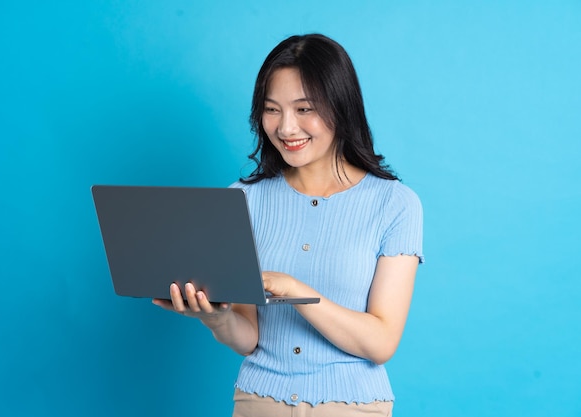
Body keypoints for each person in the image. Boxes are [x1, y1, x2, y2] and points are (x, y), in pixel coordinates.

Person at [153, 33, 424, 416]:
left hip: (352, 407)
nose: (286, 128)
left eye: (303, 108)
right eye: (272, 109)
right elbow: (249, 337)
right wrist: (217, 317)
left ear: (341, 107)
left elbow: (381, 341)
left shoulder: (395, 204)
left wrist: (297, 291)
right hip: (257, 403)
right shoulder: (241, 200)